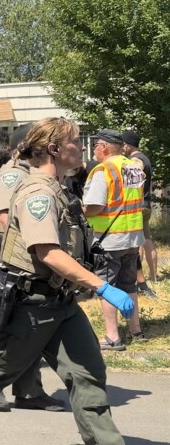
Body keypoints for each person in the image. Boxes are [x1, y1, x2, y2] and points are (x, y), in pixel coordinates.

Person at [0, 117, 133, 445]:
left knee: (88, 376)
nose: (81, 146)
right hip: (32, 306)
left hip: (61, 303)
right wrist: (101, 285)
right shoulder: (38, 192)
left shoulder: (58, 188)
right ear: (53, 149)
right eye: (74, 141)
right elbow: (48, 253)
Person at [0, 123, 65, 413]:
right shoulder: (13, 175)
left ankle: (29, 392)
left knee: (31, 332)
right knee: (4, 327)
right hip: (14, 263)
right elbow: (5, 220)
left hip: (30, 265)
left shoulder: (32, 174)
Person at [84, 129, 147, 350]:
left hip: (109, 240)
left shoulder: (104, 170)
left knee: (106, 286)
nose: (93, 149)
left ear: (104, 147)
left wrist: (81, 210)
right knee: (129, 284)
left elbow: (94, 206)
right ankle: (136, 330)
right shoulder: (133, 167)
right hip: (133, 236)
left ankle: (113, 337)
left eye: (95, 145)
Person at [121, 130, 159, 299]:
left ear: (128, 145)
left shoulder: (136, 160)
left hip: (138, 206)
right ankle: (153, 276)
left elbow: (134, 176)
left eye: (123, 144)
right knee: (146, 240)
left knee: (138, 242)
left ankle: (140, 278)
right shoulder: (146, 158)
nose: (122, 147)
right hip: (146, 204)